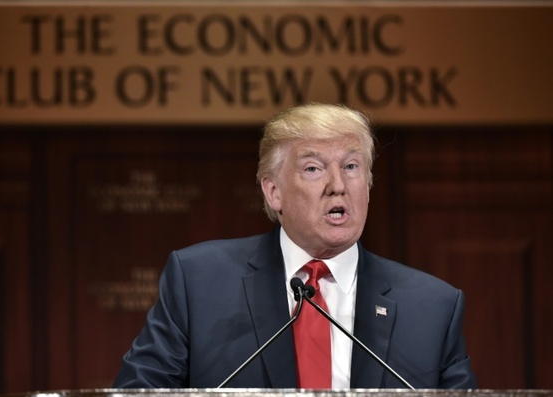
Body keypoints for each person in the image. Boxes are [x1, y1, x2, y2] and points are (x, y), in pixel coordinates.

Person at [112, 103, 477, 389]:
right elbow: (137, 391)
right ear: (273, 192)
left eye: (351, 166)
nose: (338, 185)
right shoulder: (198, 281)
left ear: (368, 185)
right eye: (314, 168)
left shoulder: (433, 308)